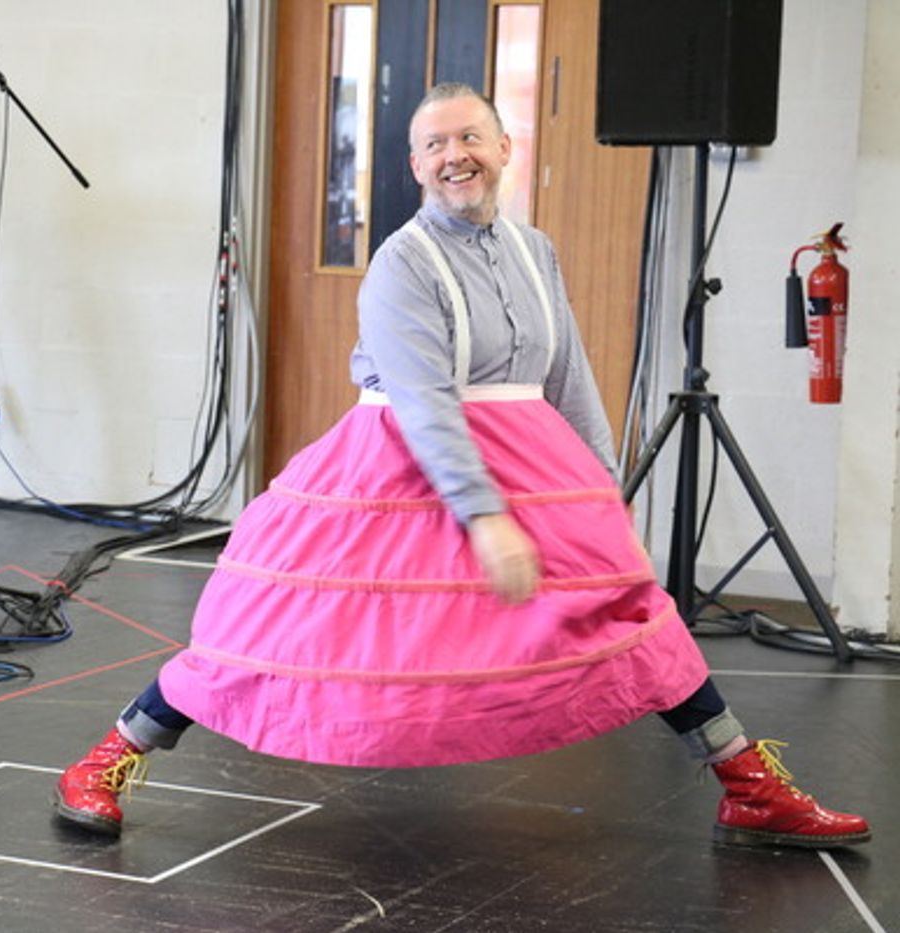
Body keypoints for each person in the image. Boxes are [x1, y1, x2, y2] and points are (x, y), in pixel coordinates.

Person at [51, 84, 871, 850]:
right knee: (270, 633)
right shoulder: (401, 264)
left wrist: (603, 496)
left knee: (631, 610)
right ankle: (106, 758)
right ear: (415, 165)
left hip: (530, 467)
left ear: (505, 147)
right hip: (399, 474)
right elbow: (425, 403)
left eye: (470, 137)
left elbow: (566, 376)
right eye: (435, 144)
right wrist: (485, 517)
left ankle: (748, 785)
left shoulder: (535, 250)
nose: (455, 155)